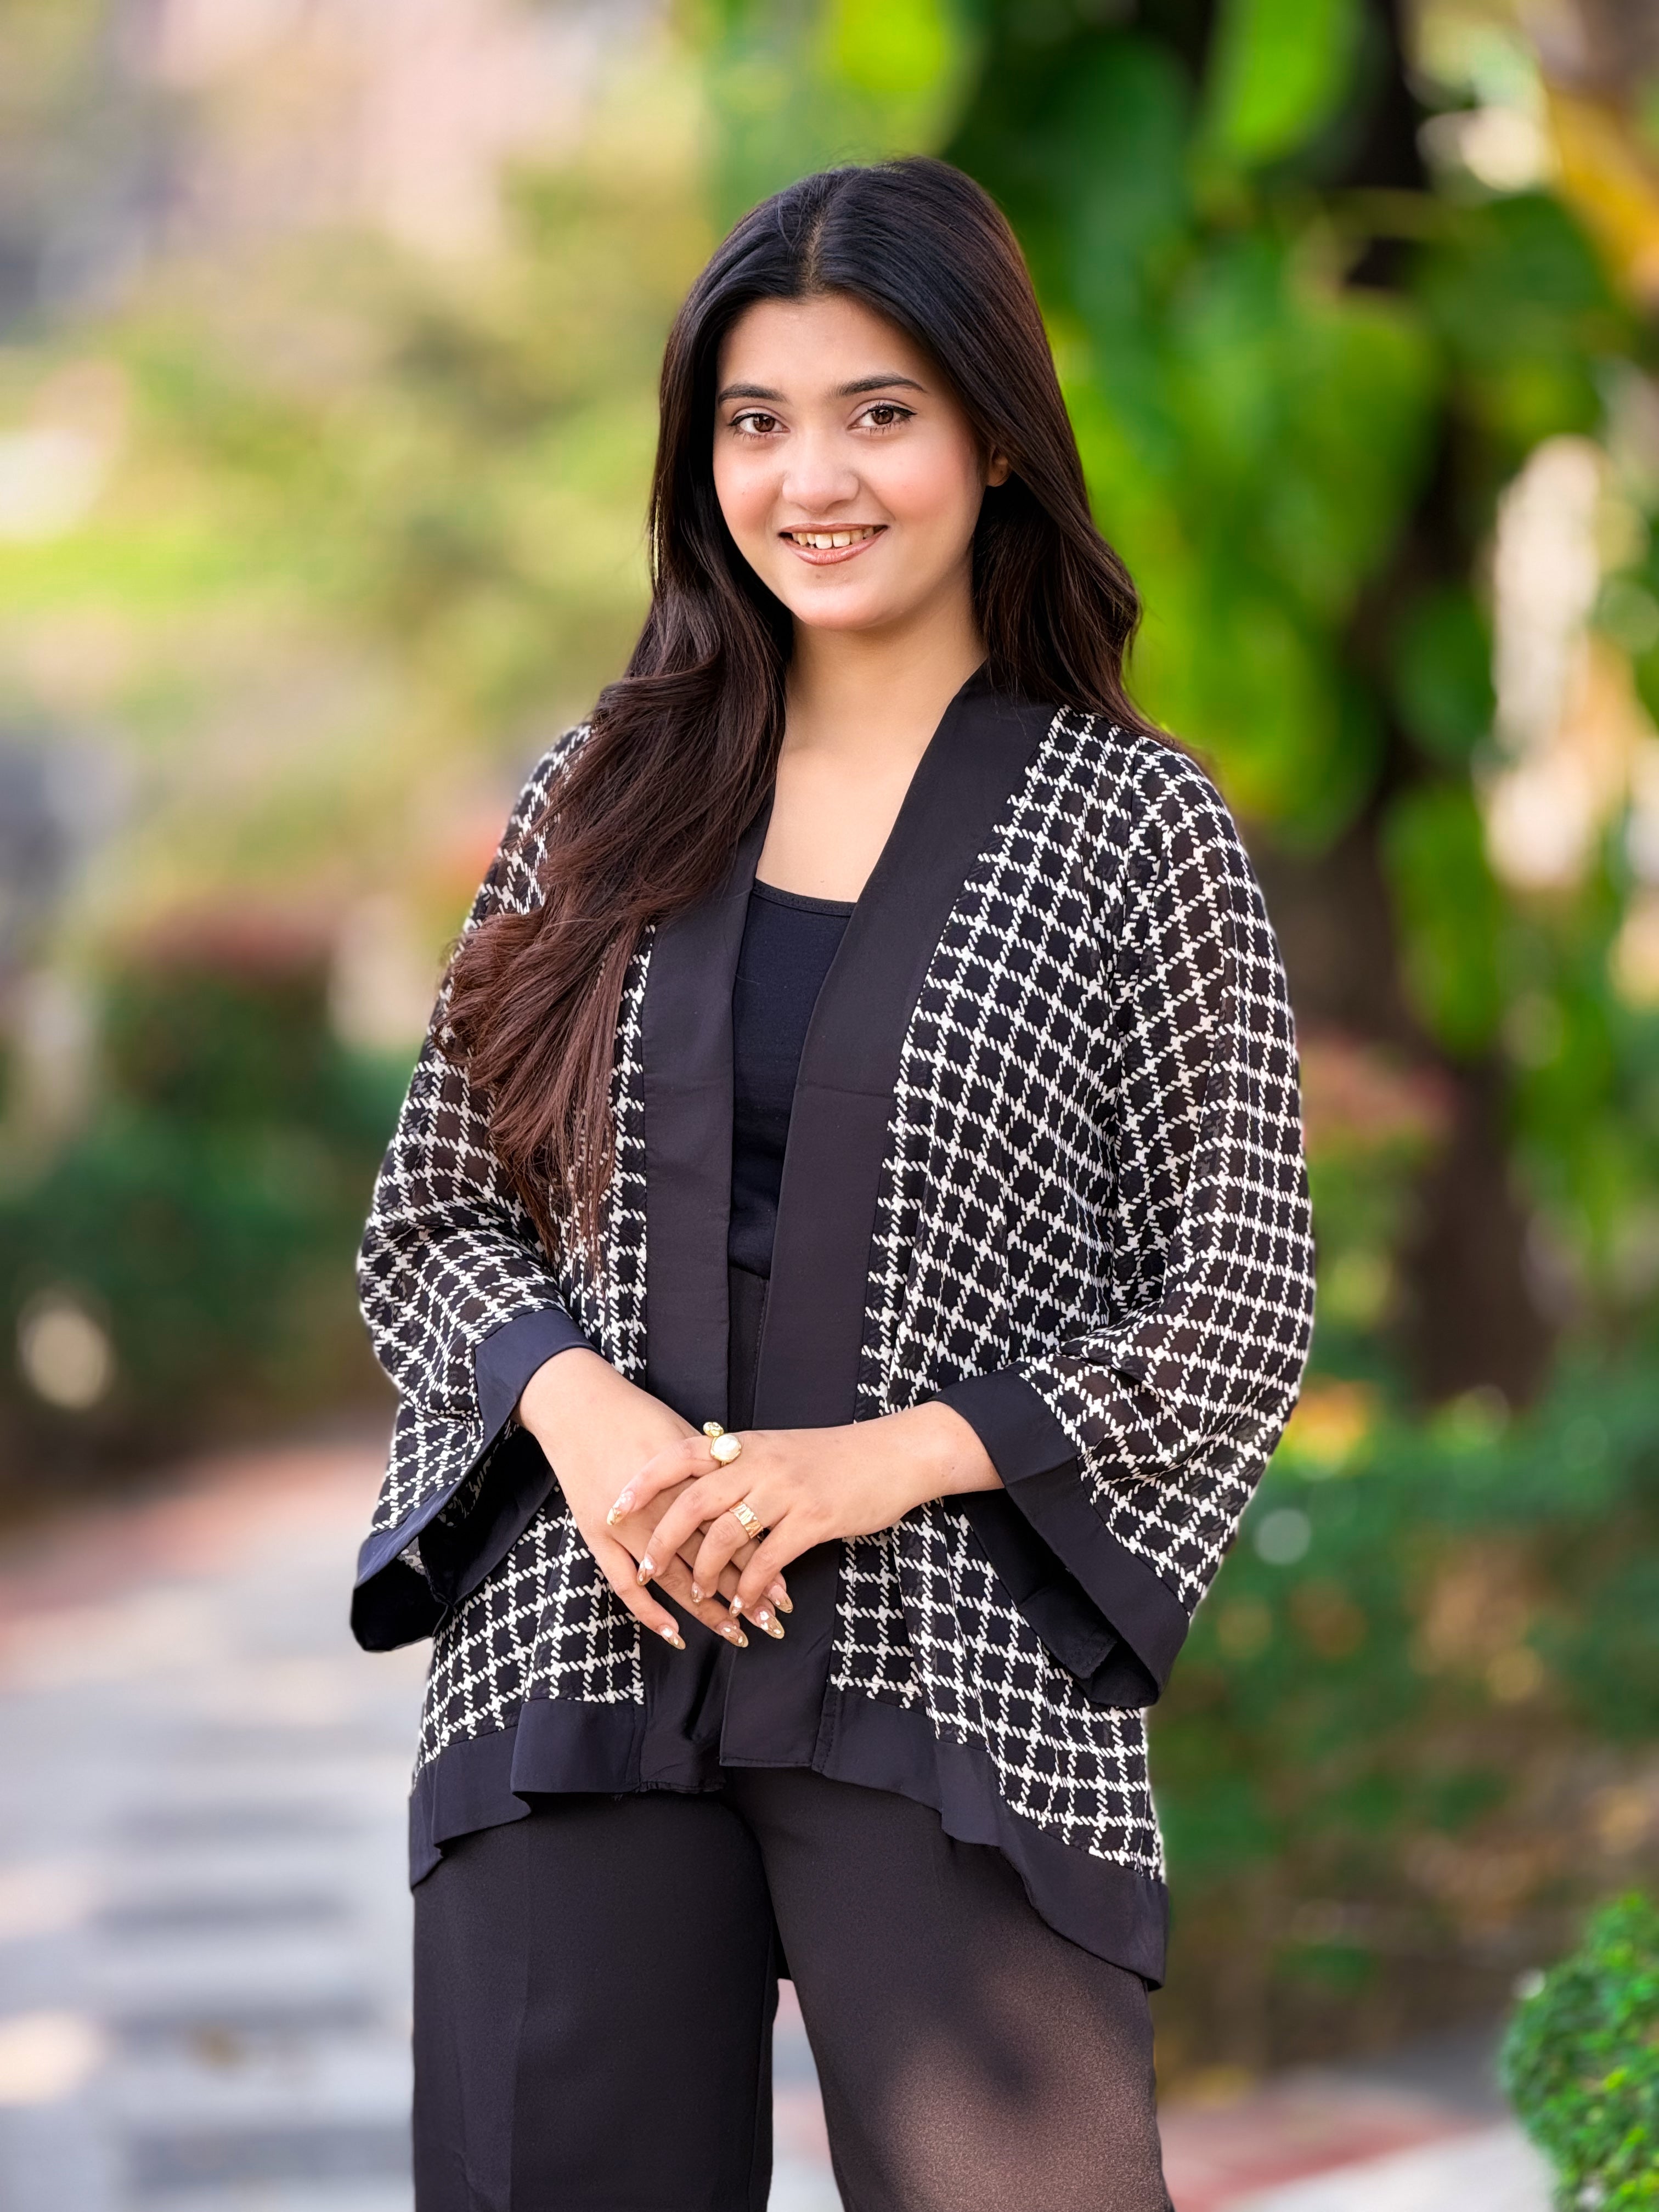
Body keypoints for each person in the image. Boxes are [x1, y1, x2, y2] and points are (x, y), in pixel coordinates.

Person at [352, 155, 1314, 2212]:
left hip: (947, 1669)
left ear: (994, 434)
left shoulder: (1132, 829)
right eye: (755, 421)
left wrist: (877, 1464)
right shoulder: (604, 795)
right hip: (577, 1650)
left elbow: (1238, 1297)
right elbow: (430, 1214)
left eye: (880, 412)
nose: (814, 479)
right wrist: (585, 1416)